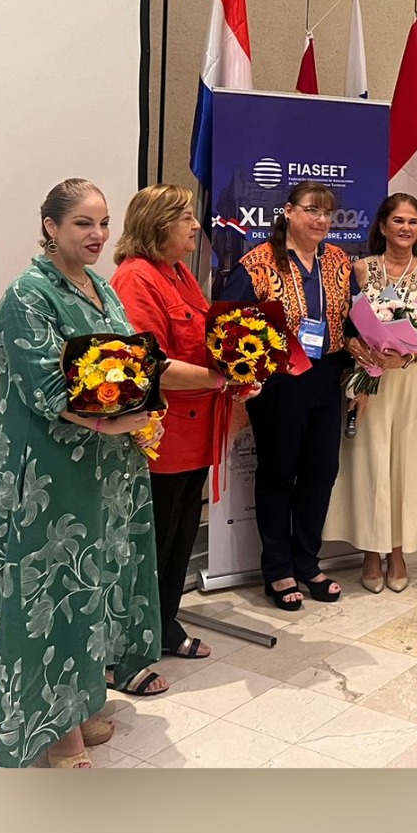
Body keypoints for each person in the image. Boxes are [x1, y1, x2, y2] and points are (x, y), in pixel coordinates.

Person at [0, 179, 163, 768]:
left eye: (104, 222)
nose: (98, 234)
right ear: (51, 227)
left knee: (95, 586)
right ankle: (55, 731)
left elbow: (125, 364)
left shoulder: (101, 287)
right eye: (84, 223)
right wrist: (112, 421)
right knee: (53, 594)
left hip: (105, 472)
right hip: (52, 476)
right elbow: (45, 386)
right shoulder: (27, 294)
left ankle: (81, 702)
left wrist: (143, 407)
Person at [111, 184, 247, 659]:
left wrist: (246, 364)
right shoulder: (136, 277)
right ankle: (136, 639)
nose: (195, 225)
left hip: (195, 433)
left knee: (180, 536)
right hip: (162, 440)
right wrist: (221, 378)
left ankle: (164, 625)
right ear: (158, 225)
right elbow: (150, 365)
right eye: (185, 217)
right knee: (155, 541)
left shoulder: (179, 272)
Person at [223, 180, 366, 610]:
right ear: (288, 212)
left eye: (327, 213)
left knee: (321, 472)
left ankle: (307, 562)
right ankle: (278, 569)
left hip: (327, 377)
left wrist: (364, 361)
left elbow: (354, 320)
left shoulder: (338, 260)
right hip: (279, 382)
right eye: (311, 210)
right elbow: (232, 325)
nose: (321, 220)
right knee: (279, 473)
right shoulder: (257, 263)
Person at [324, 193, 417, 592]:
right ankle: (371, 552)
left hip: (411, 379)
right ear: (382, 225)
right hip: (368, 378)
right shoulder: (360, 269)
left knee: (406, 462)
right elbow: (343, 326)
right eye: (398, 220)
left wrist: (403, 358)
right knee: (369, 461)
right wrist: (357, 347)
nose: (406, 228)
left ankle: (398, 551)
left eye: (413, 221)